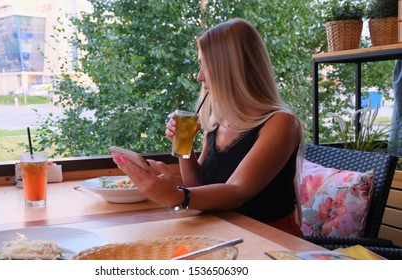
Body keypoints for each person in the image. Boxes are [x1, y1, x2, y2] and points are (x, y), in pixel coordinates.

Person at [112, 18, 304, 237]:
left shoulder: (281, 122)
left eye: (206, 65)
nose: (199, 75)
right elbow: (199, 185)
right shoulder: (219, 121)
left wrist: (176, 196)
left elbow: (238, 191)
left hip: (273, 240)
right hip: (225, 231)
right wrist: (183, 147)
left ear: (231, 69)